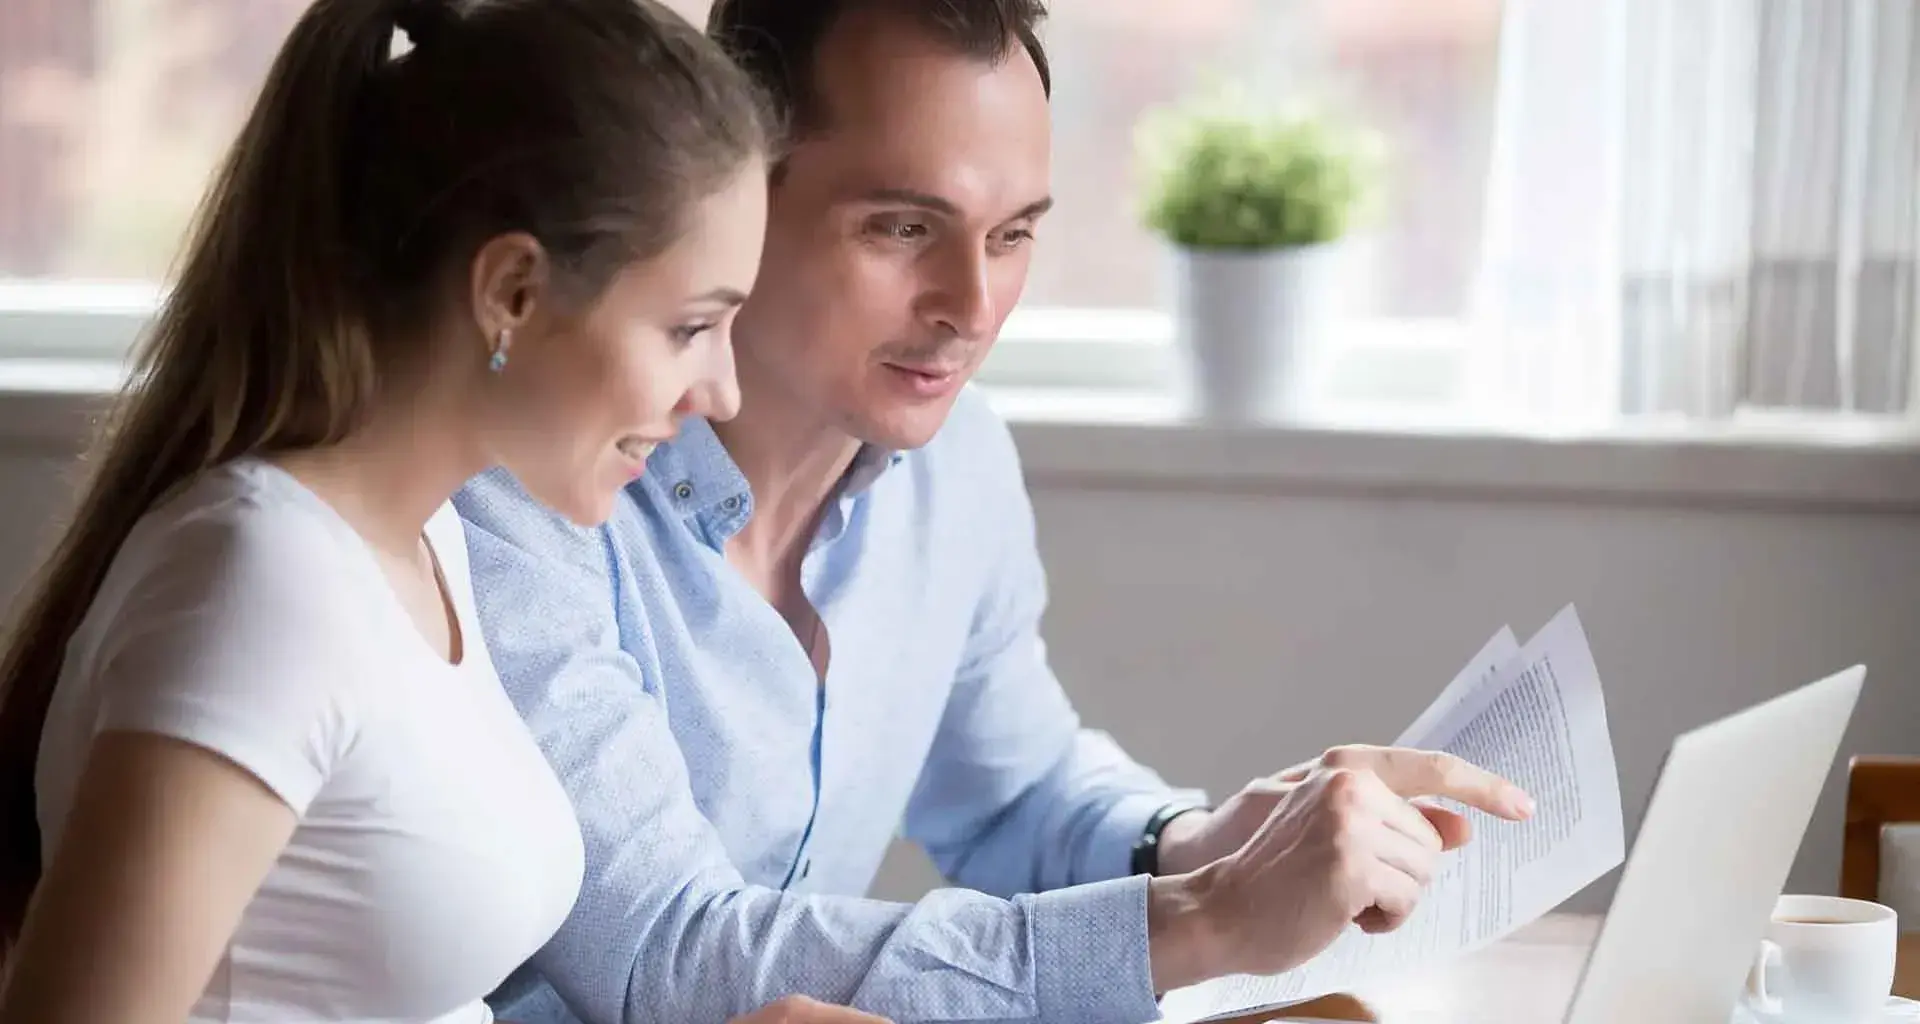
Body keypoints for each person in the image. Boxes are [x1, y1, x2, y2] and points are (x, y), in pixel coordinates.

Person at [454, 2, 1536, 1023]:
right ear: (734, 188)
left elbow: (1013, 794)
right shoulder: (523, 485)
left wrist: (1200, 840)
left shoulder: (953, 459)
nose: (970, 308)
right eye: (902, 226)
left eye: (1013, 234)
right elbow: (663, 959)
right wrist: (1203, 917)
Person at [0, 1, 882, 1023]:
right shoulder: (266, 585)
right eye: (690, 326)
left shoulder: (428, 543)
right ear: (511, 290)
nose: (719, 391)